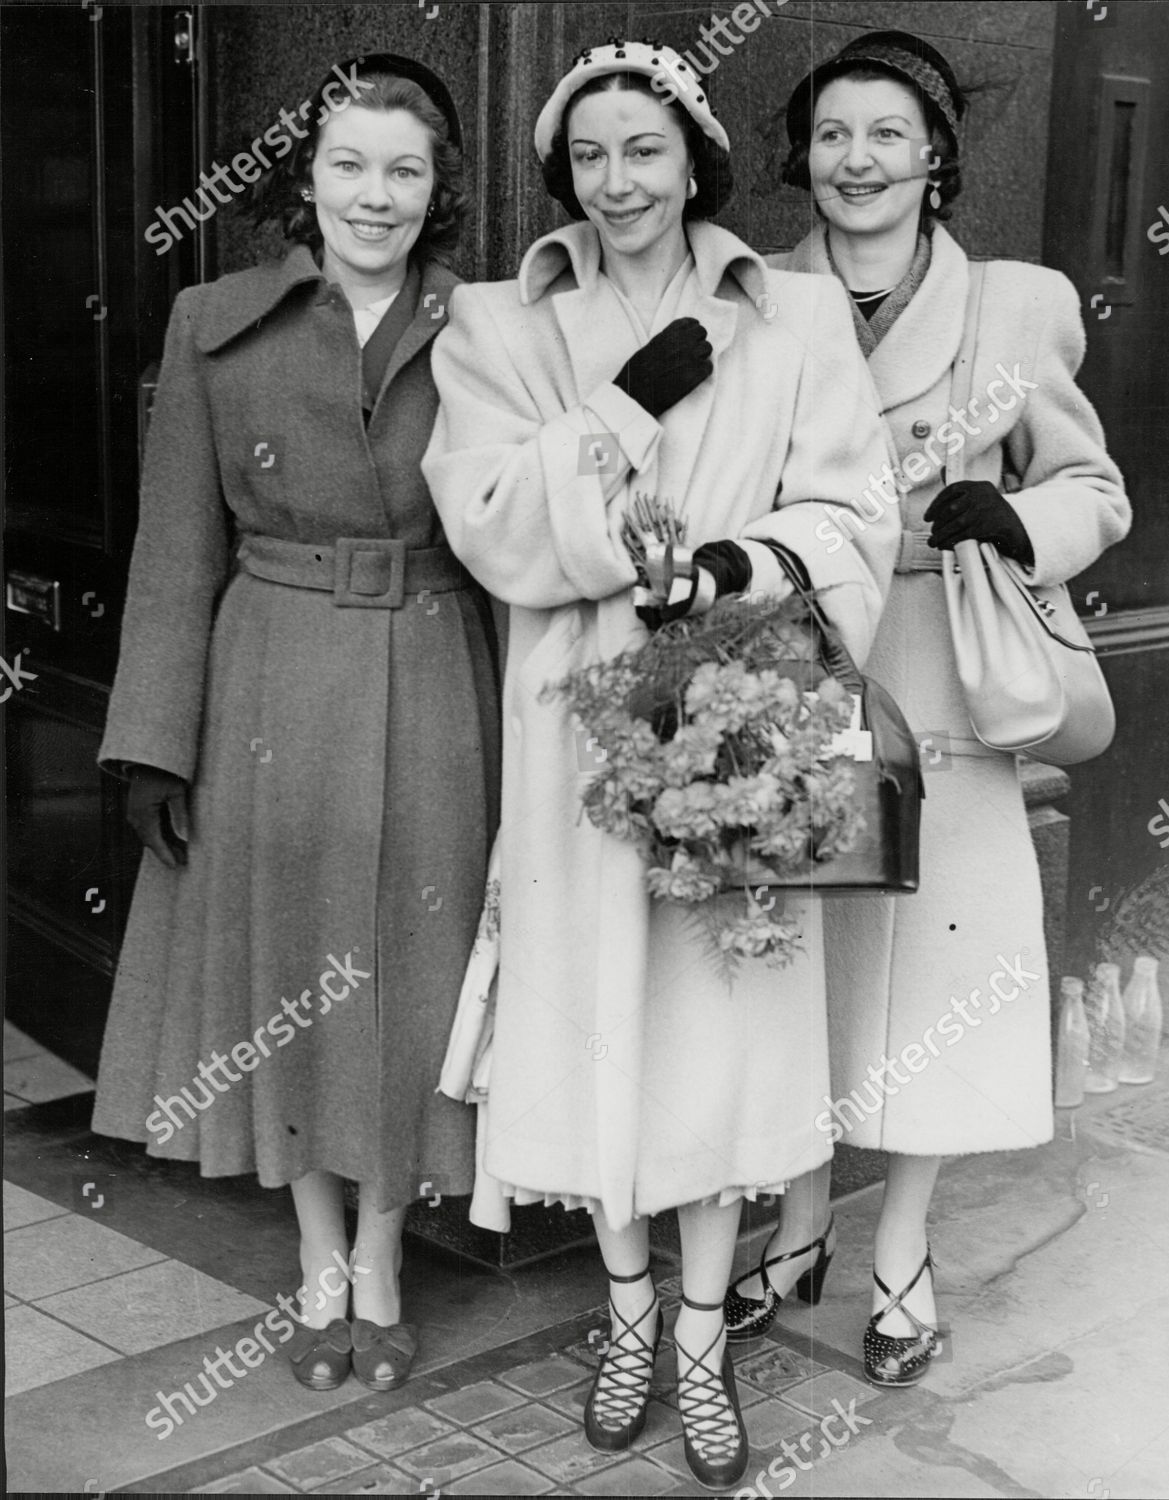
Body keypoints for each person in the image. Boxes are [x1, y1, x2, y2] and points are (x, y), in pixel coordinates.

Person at [423, 38, 897, 1490]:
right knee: (593, 1028)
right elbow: (490, 520)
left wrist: (729, 569)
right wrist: (628, 401)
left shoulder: (796, 311)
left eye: (645, 149)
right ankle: (623, 1317)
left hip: (741, 721)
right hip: (572, 733)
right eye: (588, 155)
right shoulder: (498, 322)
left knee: (720, 1033)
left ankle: (701, 1335)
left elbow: (854, 509)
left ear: (695, 157)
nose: (617, 180)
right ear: (559, 175)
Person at [724, 29, 1131, 1387]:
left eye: (887, 135)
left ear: (935, 156)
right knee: (786, 960)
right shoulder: (748, 293)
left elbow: (1097, 492)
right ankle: (792, 1226)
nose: (856, 161)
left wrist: (1010, 516)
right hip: (789, 657)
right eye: (832, 136)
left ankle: (897, 1245)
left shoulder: (1013, 307)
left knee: (938, 974)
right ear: (800, 155)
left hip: (944, 663)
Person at [91, 54, 499, 1396]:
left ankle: (382, 1265)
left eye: (403, 170)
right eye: (348, 165)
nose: (373, 195)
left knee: (409, 981)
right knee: (293, 981)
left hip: (438, 672)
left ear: (437, 191)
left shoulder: (490, 330)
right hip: (268, 679)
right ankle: (319, 1266)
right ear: (303, 181)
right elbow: (172, 550)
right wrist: (156, 738)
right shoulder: (212, 318)